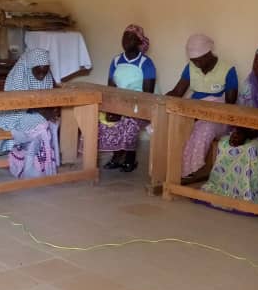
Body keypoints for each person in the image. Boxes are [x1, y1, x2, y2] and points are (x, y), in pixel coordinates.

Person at [201, 44, 258, 206]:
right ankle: (224, 191)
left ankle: (247, 196)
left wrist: (247, 135)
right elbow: (241, 114)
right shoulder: (248, 85)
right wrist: (239, 132)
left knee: (250, 149)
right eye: (256, 60)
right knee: (225, 143)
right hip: (248, 132)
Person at [166, 33, 238, 185]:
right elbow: (178, 92)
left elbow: (230, 104)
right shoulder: (191, 68)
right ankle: (171, 167)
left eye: (198, 59)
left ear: (208, 53)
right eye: (193, 60)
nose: (196, 63)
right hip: (194, 113)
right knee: (171, 123)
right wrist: (162, 101)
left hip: (218, 119)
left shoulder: (228, 70)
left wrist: (206, 111)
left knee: (204, 128)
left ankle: (191, 170)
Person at [99, 24, 156, 173]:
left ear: (139, 41)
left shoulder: (146, 63)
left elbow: (147, 95)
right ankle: (117, 155)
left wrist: (126, 111)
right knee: (104, 120)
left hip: (139, 106)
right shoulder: (116, 61)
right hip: (118, 104)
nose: (126, 41)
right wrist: (112, 109)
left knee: (128, 122)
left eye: (130, 38)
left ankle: (130, 157)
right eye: (124, 37)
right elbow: (110, 88)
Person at [0, 48, 60, 177]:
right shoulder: (19, 75)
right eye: (38, 71)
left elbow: (49, 97)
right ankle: (31, 163)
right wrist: (43, 112)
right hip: (14, 114)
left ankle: (40, 162)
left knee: (52, 121)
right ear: (31, 66)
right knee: (42, 124)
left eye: (45, 71)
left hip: (34, 112)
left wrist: (51, 110)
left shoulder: (46, 75)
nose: (42, 76)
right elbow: (18, 103)